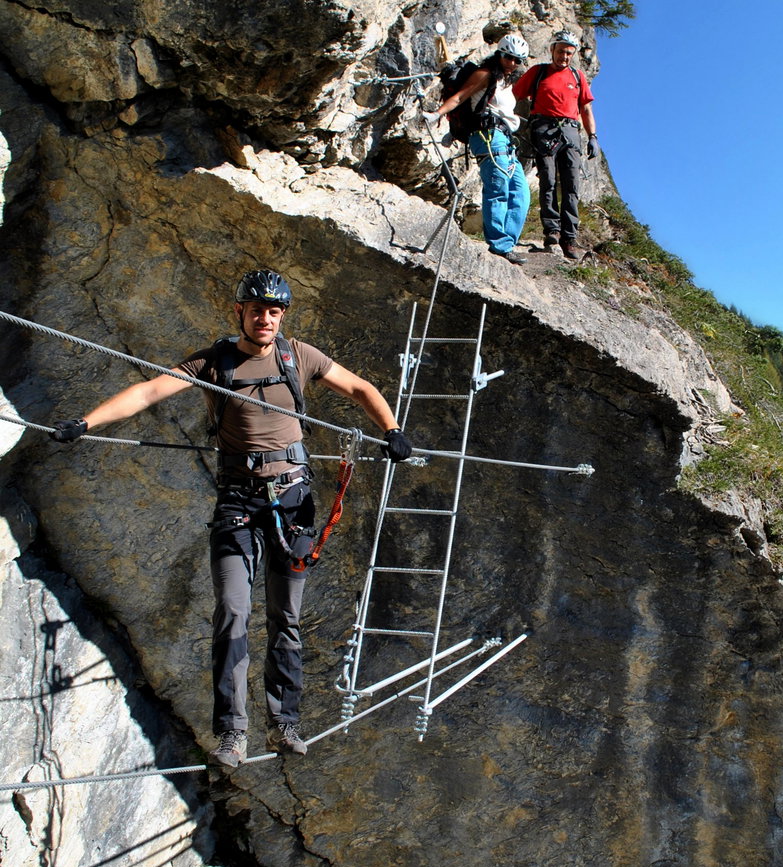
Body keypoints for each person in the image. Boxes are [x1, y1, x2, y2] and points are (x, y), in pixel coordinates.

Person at [49, 270, 415, 769]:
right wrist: (86, 423)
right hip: (238, 503)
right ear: (239, 312)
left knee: (285, 617)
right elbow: (149, 391)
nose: (265, 319)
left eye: (274, 311)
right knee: (232, 613)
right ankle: (231, 734)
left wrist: (392, 430)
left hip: (293, 503)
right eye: (257, 310)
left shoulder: (298, 356)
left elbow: (359, 388)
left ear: (282, 316)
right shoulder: (211, 362)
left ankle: (285, 722)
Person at [428, 34, 533, 264]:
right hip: (487, 135)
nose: (512, 63)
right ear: (499, 54)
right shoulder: (485, 74)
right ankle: (499, 245)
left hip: (505, 139)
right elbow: (459, 97)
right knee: (498, 186)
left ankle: (508, 242)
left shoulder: (506, 82)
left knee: (521, 193)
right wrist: (437, 113)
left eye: (518, 60)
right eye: (508, 57)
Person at [513, 31, 598, 259]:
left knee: (571, 186)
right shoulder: (538, 72)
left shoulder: (578, 77)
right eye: (561, 51)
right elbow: (516, 94)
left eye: (569, 53)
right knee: (548, 180)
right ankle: (552, 231)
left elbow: (586, 109)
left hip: (570, 131)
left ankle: (569, 238)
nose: (564, 56)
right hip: (544, 128)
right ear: (552, 50)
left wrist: (593, 137)